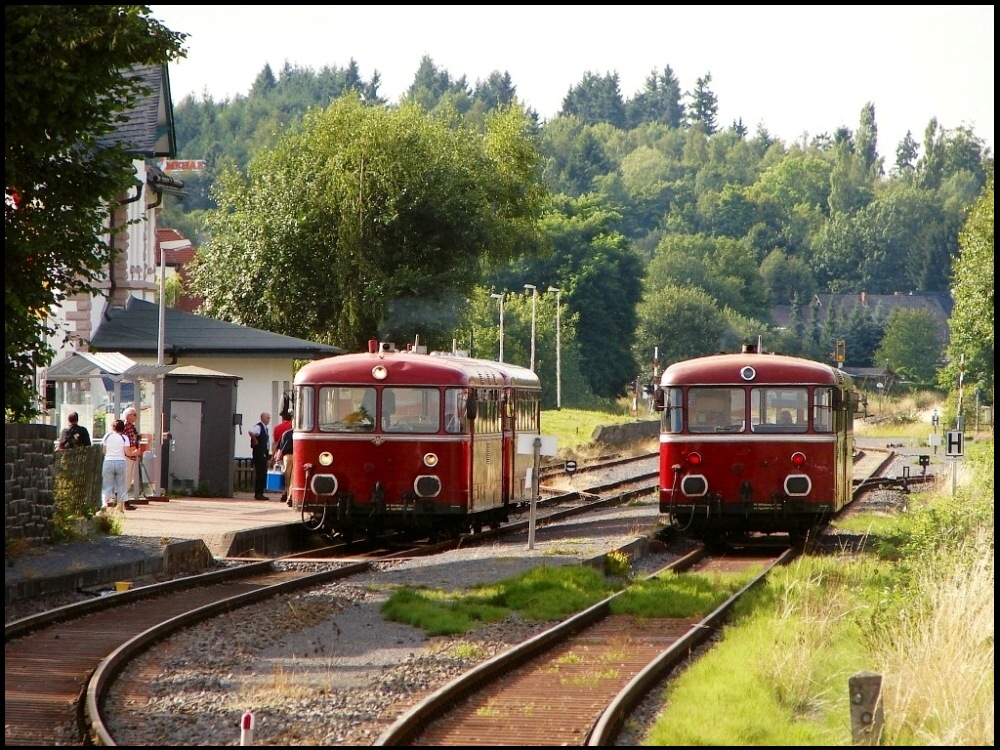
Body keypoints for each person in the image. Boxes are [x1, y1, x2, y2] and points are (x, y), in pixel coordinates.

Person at [101, 419, 135, 511]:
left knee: (107, 485)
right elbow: (127, 452)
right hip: (120, 462)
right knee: (121, 486)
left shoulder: (107, 436)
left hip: (108, 461)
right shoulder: (124, 438)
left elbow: (103, 450)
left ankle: (104, 503)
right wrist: (136, 452)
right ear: (123, 428)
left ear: (112, 427)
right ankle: (120, 508)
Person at [248, 412, 271, 500]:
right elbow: (251, 432)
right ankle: (258, 493)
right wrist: (255, 441)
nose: (269, 420)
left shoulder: (265, 428)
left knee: (262, 473)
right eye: (267, 418)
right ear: (262, 418)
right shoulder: (259, 426)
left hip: (263, 452)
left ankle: (260, 492)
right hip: (259, 453)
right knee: (260, 473)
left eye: (269, 418)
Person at [273, 419, 293, 506]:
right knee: (294, 477)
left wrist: (277, 458)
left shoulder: (285, 433)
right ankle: (290, 496)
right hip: (296, 456)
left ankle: (286, 494)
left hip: (286, 457)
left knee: (287, 477)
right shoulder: (298, 434)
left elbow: (279, 447)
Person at [122, 406, 140, 499]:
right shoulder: (125, 427)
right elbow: (127, 442)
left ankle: (124, 500)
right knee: (126, 479)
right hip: (127, 456)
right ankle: (123, 501)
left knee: (129, 480)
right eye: (135, 415)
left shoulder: (132, 427)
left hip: (132, 456)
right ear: (128, 416)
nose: (136, 417)